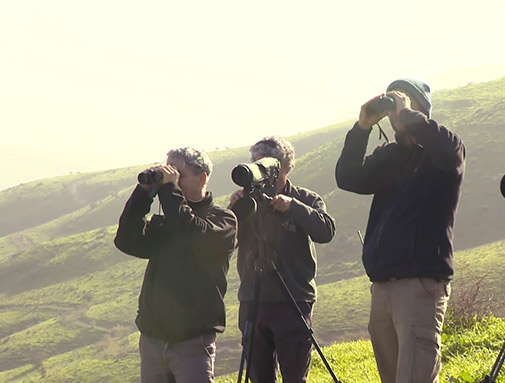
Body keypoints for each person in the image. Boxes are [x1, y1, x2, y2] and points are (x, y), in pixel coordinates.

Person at [335, 78, 466, 383]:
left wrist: (407, 114)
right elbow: (348, 177)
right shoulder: (390, 157)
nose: (395, 111)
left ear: (421, 111)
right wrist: (363, 126)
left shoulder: (443, 152)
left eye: (405, 102)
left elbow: (449, 153)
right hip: (383, 286)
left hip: (419, 285)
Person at [114, 147, 238, 383]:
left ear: (202, 178)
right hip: (153, 339)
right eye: (168, 172)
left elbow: (190, 232)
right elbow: (126, 241)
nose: (172, 179)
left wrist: (170, 189)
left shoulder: (223, 221)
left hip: (192, 342)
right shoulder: (166, 222)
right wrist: (143, 193)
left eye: (179, 174)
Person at [230, 136, 336, 383]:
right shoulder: (247, 203)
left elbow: (326, 231)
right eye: (257, 165)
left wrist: (293, 207)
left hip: (293, 299)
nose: (263, 172)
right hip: (253, 299)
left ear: (287, 166)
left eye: (269, 165)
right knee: (259, 377)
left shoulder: (305, 198)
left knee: (295, 375)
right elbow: (225, 243)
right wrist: (235, 211)